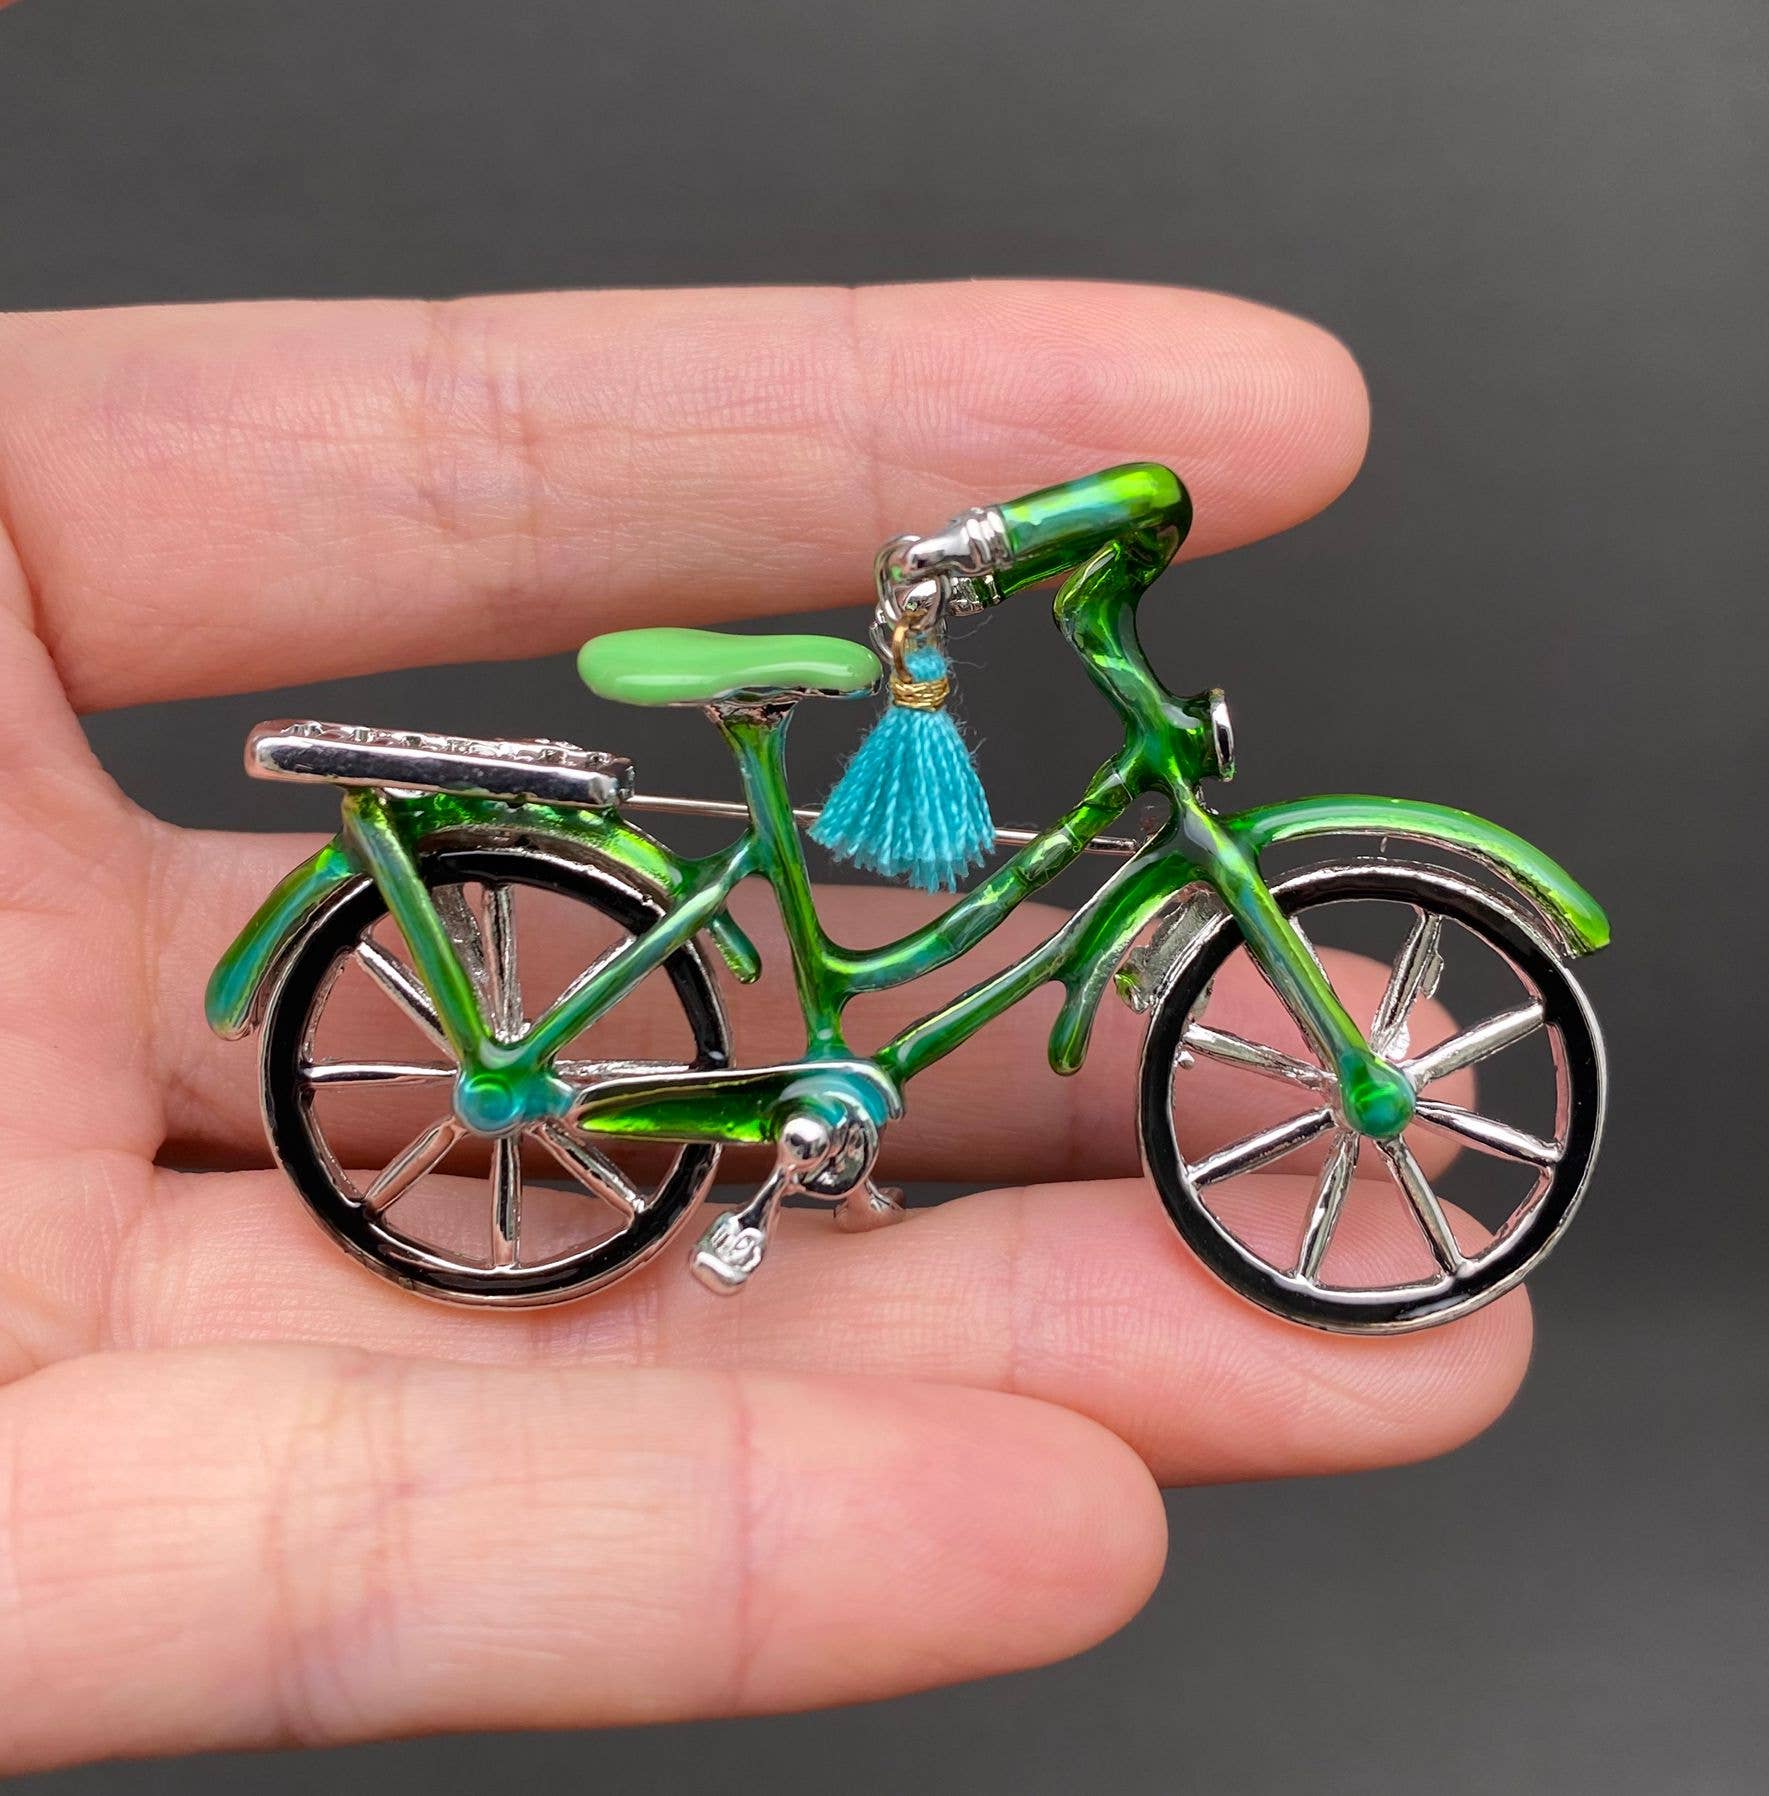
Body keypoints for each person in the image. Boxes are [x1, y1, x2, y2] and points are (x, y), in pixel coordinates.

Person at [0, 280, 1527, 1769]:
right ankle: (793, 1125)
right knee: (827, 959)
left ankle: (829, 1126)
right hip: (604, 1085)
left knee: (902, 943)